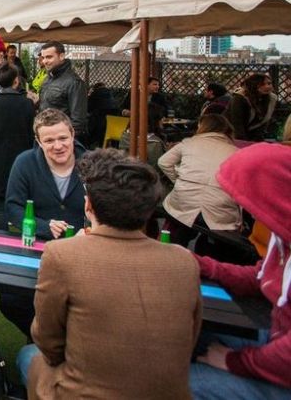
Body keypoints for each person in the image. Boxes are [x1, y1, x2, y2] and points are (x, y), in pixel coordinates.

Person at [19, 149, 202, 399]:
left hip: (83, 391)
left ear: (88, 205)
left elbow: (48, 343)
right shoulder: (184, 261)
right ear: (149, 211)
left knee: (29, 356)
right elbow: (190, 338)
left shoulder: (61, 255)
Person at [188, 142, 291, 397]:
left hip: (283, 369)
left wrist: (234, 361)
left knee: (181, 381)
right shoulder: (283, 242)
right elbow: (259, 277)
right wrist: (202, 265)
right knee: (186, 336)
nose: (246, 212)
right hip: (275, 343)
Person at [1, 108, 88, 336]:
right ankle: (38, 337)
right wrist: (43, 225)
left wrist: (89, 231)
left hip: (84, 250)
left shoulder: (93, 164)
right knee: (10, 300)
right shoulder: (25, 163)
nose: (57, 146)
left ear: (72, 135)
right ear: (38, 141)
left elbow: (108, 208)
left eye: (62, 138)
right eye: (49, 140)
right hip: (38, 247)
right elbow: (12, 208)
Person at [157, 114, 240, 252]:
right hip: (219, 208)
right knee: (214, 244)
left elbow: (163, 162)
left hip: (183, 201)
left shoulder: (189, 143)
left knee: (180, 228)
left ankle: (174, 254)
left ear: (201, 127)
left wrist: (178, 180)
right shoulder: (236, 152)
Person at [0, 63, 35, 230]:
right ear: (16, 81)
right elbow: (32, 136)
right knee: (21, 207)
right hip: (21, 162)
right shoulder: (27, 104)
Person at [37, 41, 88, 143]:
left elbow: (78, 122)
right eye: (43, 58)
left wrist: (59, 140)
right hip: (44, 138)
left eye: (49, 57)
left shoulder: (74, 82)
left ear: (61, 56)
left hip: (60, 143)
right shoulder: (47, 79)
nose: (45, 61)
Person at [226, 73, 278, 142]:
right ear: (253, 85)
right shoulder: (239, 99)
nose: (267, 86)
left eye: (269, 83)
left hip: (253, 135)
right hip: (230, 133)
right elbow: (237, 124)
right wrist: (243, 143)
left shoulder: (271, 98)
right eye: (262, 84)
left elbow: (264, 122)